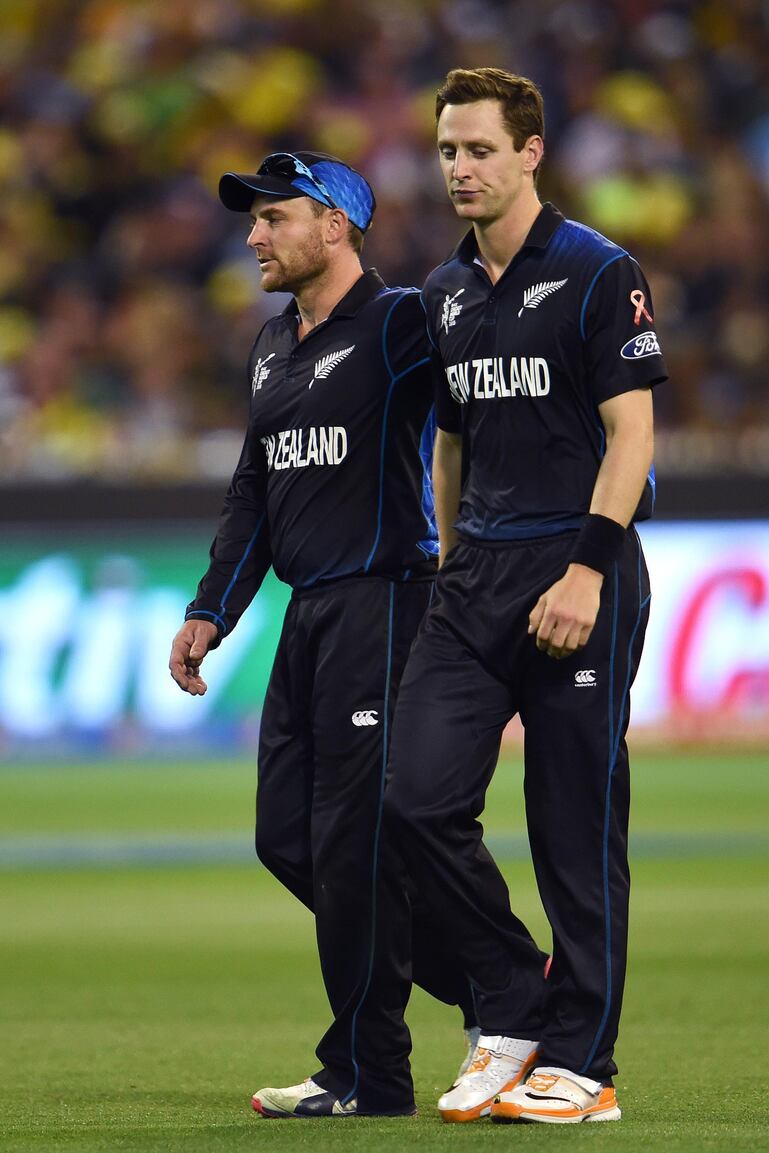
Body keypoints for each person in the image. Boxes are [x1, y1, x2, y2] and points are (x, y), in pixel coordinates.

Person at [168, 149, 511, 1119]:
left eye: (271, 218)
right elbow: (254, 493)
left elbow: (473, 383)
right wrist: (209, 608)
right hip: (309, 615)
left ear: (334, 224)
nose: (252, 237)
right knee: (288, 840)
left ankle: (366, 1072)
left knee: (353, 847)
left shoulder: (401, 321)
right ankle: (496, 983)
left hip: (389, 602)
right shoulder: (273, 344)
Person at [384, 68, 667, 1125]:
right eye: (447, 150)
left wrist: (587, 569)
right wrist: (451, 555)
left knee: (572, 823)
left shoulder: (596, 270)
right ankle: (512, 997)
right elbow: (449, 439)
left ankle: (582, 1065)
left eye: (477, 150)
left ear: (530, 152)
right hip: (477, 575)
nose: (458, 168)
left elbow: (632, 436)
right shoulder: (442, 294)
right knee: (411, 797)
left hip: (577, 564)